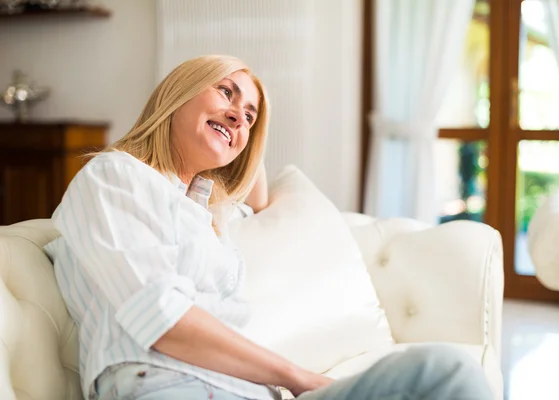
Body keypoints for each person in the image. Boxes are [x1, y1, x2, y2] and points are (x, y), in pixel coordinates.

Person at [45, 55, 494, 400]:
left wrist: (240, 126)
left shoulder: (206, 212)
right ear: (177, 94)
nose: (240, 114)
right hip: (164, 384)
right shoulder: (116, 176)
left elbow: (256, 198)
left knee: (449, 371)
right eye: (224, 91)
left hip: (248, 392)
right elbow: (162, 320)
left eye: (251, 114)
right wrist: (298, 378)